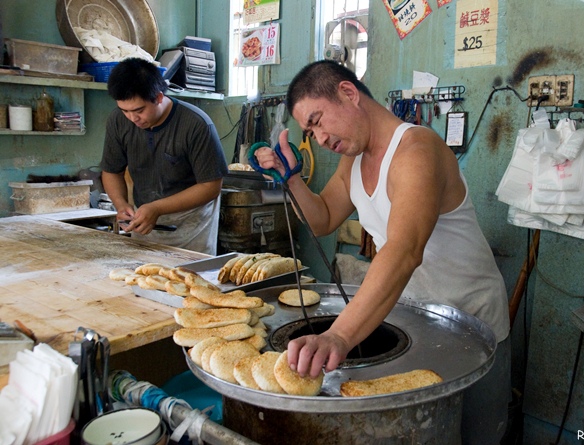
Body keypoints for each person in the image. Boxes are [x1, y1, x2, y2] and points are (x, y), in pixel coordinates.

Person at [254, 60, 511, 444]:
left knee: (476, 435)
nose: (319, 138)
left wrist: (338, 335)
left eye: (318, 121)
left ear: (348, 93)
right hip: (413, 323)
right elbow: (323, 220)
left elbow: (404, 250)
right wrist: (291, 179)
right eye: (310, 131)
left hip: (471, 328)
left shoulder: (416, 149)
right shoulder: (353, 161)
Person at [101, 58, 227, 255]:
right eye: (124, 110)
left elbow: (211, 186)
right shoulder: (118, 121)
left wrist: (157, 208)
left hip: (191, 224)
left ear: (159, 97)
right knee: (145, 279)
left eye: (139, 110)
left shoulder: (196, 124)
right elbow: (111, 171)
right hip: (143, 218)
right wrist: (121, 204)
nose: (132, 118)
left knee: (190, 280)